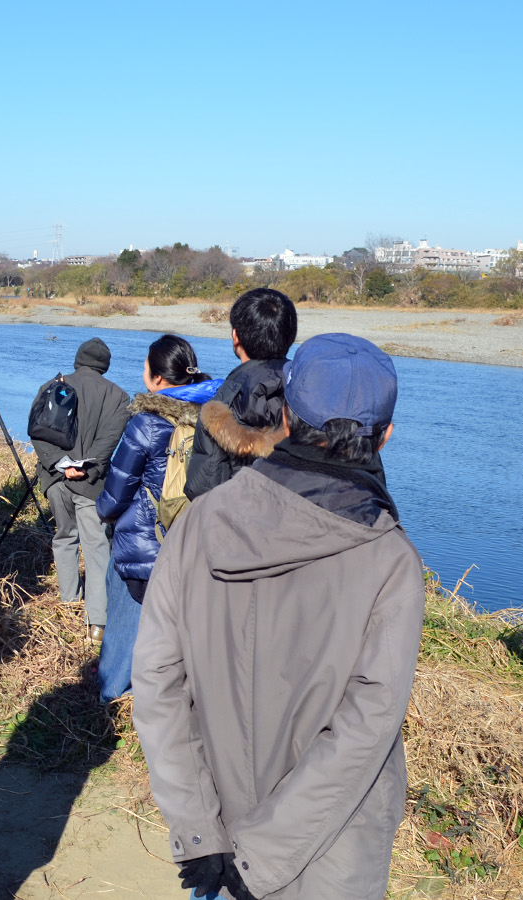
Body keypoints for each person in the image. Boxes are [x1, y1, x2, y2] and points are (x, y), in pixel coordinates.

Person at [133, 333, 424, 900]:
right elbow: (367, 727)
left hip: (217, 832)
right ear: (385, 435)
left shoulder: (199, 521)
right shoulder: (391, 561)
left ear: (285, 418)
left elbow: (157, 680)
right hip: (331, 851)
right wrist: (262, 857)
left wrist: (199, 830)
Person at [94, 335, 221, 701]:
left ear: (158, 379)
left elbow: (117, 492)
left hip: (142, 545)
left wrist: (104, 514)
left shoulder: (147, 423)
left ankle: (113, 698)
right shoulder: (214, 420)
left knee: (124, 622)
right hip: (191, 543)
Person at [30, 337, 130, 641]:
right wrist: (85, 466)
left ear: (78, 359)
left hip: (55, 480)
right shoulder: (119, 396)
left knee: (64, 538)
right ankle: (96, 624)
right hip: (92, 483)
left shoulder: (53, 385)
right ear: (105, 365)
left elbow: (37, 430)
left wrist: (61, 462)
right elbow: (108, 444)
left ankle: (69, 603)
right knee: (97, 548)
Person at [184, 287, 297, 500]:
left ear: (235, 336)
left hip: (238, 518)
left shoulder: (224, 399)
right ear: (290, 337)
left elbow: (202, 487)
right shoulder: (309, 390)